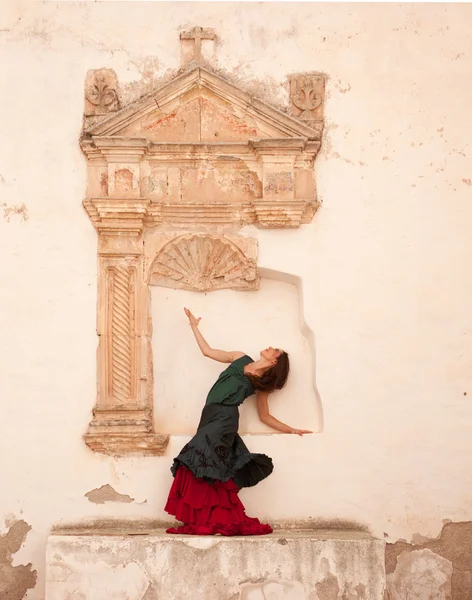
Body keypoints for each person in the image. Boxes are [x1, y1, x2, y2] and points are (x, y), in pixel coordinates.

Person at [164, 307, 312, 536]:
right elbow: (207, 351)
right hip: (209, 415)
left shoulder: (261, 383)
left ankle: (208, 517)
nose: (270, 348)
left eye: (275, 351)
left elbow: (265, 415)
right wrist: (194, 326)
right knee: (207, 465)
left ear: (274, 362)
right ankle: (207, 516)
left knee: (197, 459)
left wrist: (291, 429)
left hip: (224, 419)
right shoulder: (239, 357)